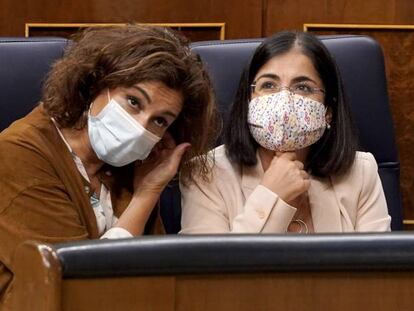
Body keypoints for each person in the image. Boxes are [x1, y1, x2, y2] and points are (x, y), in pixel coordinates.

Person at [0, 25, 217, 306]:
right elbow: (79, 286)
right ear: (96, 83)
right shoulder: (18, 153)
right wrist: (146, 195)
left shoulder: (129, 164)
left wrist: (148, 186)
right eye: (133, 102)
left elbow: (154, 278)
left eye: (160, 121)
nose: (141, 128)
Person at [180, 31, 391, 234]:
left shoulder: (361, 172)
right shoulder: (205, 174)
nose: (284, 101)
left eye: (303, 88)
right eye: (269, 85)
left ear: (328, 111)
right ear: (249, 101)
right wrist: (271, 196)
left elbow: (377, 267)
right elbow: (212, 268)